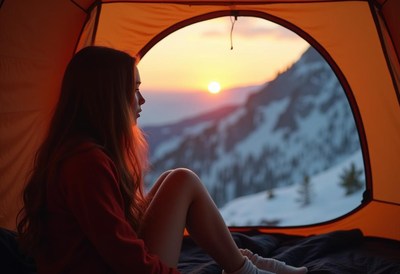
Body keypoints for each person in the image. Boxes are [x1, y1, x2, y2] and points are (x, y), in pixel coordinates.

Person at [16, 46, 308, 274]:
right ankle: (243, 267)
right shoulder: (85, 164)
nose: (141, 100)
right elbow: (122, 253)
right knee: (182, 180)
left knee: (173, 179)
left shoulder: (79, 152)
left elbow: (111, 233)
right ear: (107, 98)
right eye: (133, 89)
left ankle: (242, 260)